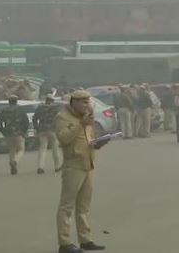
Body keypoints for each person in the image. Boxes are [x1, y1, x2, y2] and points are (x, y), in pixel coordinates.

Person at [55, 90, 108, 253]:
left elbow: (88, 139)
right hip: (73, 165)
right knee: (67, 206)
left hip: (88, 163)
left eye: (88, 102)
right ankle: (65, 243)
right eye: (84, 102)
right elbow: (63, 138)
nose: (87, 105)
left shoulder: (87, 117)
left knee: (84, 205)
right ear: (74, 102)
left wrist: (97, 143)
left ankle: (85, 239)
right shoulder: (62, 117)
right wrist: (80, 125)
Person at [0, 95, 30, 175]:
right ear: (16, 101)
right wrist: (23, 132)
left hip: (8, 133)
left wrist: (3, 131)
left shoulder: (4, 110)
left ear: (9, 101)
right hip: (18, 132)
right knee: (21, 149)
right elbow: (26, 122)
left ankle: (12, 167)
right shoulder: (20, 110)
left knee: (11, 150)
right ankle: (15, 162)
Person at [32, 94, 61, 174]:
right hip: (53, 130)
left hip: (42, 129)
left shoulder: (40, 108)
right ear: (52, 100)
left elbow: (34, 119)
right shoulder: (55, 108)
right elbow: (59, 119)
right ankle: (57, 166)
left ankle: (40, 167)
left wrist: (37, 128)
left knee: (42, 148)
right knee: (55, 149)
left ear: (46, 100)